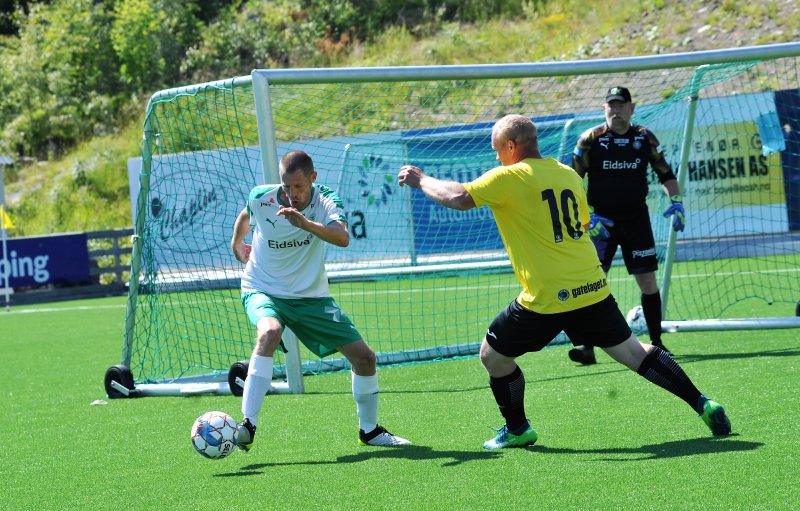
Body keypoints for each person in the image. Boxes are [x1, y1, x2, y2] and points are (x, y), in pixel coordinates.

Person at [397, 114, 729, 449]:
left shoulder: (510, 176)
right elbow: (581, 225)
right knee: (634, 352)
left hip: (547, 297)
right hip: (591, 286)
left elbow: (457, 198)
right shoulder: (566, 173)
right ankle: (703, 403)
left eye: (498, 149)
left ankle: (517, 429)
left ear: (511, 146)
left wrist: (421, 179)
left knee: (492, 356)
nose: (497, 156)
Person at [231, 149, 410, 451]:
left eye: (299, 187)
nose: (291, 194)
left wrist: (305, 224)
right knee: (270, 332)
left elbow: (341, 237)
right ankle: (247, 425)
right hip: (262, 287)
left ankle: (369, 431)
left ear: (313, 179)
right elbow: (247, 214)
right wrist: (237, 243)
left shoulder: (326, 200)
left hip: (310, 297)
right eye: (287, 186)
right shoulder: (263, 197)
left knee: (364, 358)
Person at [568, 86, 685, 365]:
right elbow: (570, 183)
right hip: (600, 223)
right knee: (590, 282)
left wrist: (677, 201)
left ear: (632, 108)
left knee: (647, 281)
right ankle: (587, 348)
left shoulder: (644, 138)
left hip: (636, 220)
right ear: (604, 108)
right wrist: (586, 219)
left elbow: (665, 173)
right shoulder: (590, 140)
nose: (615, 110)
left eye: (621, 105)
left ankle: (657, 343)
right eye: (611, 105)